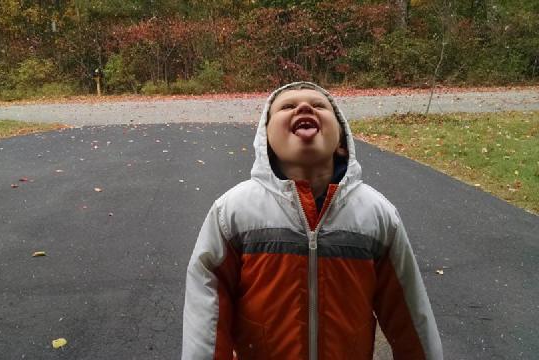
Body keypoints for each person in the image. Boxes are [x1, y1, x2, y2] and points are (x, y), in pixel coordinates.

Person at [181, 81, 443, 359]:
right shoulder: (233, 212)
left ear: (341, 141)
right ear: (266, 139)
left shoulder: (376, 215)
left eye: (319, 106)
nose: (304, 107)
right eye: (287, 106)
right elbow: (206, 308)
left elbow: (409, 311)